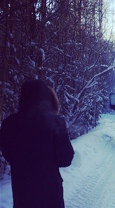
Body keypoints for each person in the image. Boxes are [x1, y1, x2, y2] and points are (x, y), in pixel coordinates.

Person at [0, 79, 74, 208]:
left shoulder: (9, 123)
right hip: (50, 193)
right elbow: (65, 159)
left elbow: (8, 154)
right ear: (45, 97)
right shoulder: (56, 122)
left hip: (22, 191)